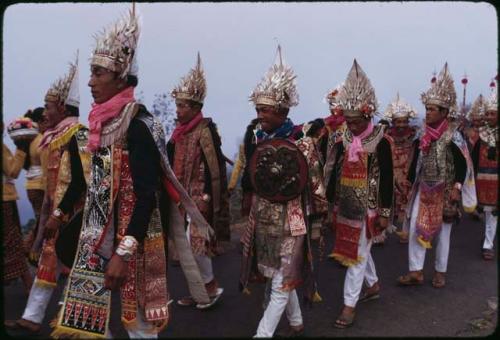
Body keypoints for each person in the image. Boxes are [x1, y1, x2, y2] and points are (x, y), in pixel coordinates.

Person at [51, 11, 216, 338]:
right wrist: (60, 214)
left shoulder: (140, 125)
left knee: (139, 326)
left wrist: (123, 253)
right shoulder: (99, 126)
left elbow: (147, 195)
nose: (90, 82)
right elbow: (92, 184)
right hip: (95, 233)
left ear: (121, 78)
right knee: (85, 321)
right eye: (91, 73)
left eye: (98, 73)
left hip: (134, 240)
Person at [240, 45, 323, 338]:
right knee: (277, 276)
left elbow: (316, 185)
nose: (259, 115)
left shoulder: (302, 142)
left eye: (264, 110)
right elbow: (251, 179)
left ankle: (262, 334)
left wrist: (317, 223)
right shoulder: (257, 139)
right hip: (264, 217)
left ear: (281, 110)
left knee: (281, 281)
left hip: (294, 219)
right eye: (258, 109)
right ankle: (297, 322)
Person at [4, 54, 90, 336]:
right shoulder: (54, 137)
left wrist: (59, 213)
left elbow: (80, 181)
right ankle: (32, 317)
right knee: (47, 263)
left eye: (50, 107)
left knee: (79, 269)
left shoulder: (78, 135)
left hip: (75, 215)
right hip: (57, 212)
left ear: (63, 107)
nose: (46, 113)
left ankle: (75, 323)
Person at [323, 59, 393, 329]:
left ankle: (349, 305)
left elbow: (387, 178)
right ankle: (373, 285)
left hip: (369, 208)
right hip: (346, 205)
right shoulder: (342, 139)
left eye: (355, 122)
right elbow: (335, 171)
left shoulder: (380, 140)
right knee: (361, 250)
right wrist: (331, 205)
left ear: (367, 115)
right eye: (347, 121)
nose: (350, 126)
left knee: (357, 253)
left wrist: (385, 213)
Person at [397, 63, 475, 289]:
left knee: (443, 234)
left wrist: (457, 188)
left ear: (444, 113)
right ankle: (415, 271)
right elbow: (416, 162)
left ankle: (440, 271)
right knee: (414, 229)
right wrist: (409, 181)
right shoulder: (422, 133)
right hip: (423, 188)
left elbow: (462, 164)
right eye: (427, 108)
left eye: (432, 109)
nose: (428, 112)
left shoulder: (453, 136)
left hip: (445, 189)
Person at [168, 53, 228, 307]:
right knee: (185, 248)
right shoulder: (179, 133)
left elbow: (215, 170)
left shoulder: (205, 131)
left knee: (197, 246)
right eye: (178, 105)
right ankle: (200, 290)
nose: (178, 110)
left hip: (199, 199)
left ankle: (210, 286)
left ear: (195, 108)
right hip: (180, 197)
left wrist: (209, 199)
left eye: (183, 106)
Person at [382, 93, 418, 244]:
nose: (401, 125)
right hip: (392, 170)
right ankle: (382, 231)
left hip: (408, 171)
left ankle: (405, 230)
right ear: (393, 122)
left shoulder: (415, 136)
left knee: (407, 199)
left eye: (404, 121)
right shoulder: (386, 136)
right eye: (398, 121)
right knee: (387, 199)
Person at [2, 122, 33, 295]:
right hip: (5, 200)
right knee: (13, 241)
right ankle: (29, 284)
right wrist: (21, 149)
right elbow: (13, 171)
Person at [471, 82, 498, 260]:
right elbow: (473, 160)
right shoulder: (481, 135)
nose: (488, 117)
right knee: (491, 213)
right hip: (485, 181)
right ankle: (488, 244)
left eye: (492, 114)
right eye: (487, 114)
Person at [22, 107, 50, 262]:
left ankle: (30, 249)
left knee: (40, 220)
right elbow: (46, 169)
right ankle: (29, 248)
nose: (48, 122)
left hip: (31, 185)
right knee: (43, 221)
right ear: (39, 122)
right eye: (45, 120)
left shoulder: (31, 140)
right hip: (40, 186)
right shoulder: (41, 140)